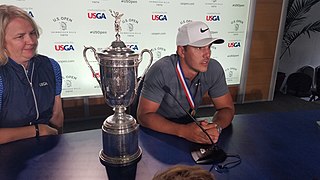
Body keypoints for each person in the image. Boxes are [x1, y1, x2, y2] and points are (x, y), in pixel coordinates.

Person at [137, 21, 235, 144]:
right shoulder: (161, 70)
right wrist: (183, 131)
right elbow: (144, 116)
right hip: (158, 130)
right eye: (199, 48)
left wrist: (215, 127)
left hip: (189, 124)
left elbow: (226, 108)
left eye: (209, 47)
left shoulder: (214, 68)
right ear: (182, 51)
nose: (207, 54)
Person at [0, 5, 64, 144]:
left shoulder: (51, 66)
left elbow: (57, 118)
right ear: (2, 42)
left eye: (32, 33)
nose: (31, 41)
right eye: (20, 36)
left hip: (47, 152)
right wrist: (37, 130)